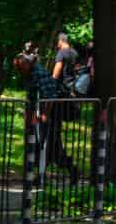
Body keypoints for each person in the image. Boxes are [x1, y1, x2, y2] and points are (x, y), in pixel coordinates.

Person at [30, 43, 81, 183]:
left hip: (52, 115)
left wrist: (45, 114)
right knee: (49, 147)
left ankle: (66, 169)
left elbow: (50, 94)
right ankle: (42, 175)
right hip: (52, 114)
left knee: (49, 145)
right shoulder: (36, 72)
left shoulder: (40, 73)